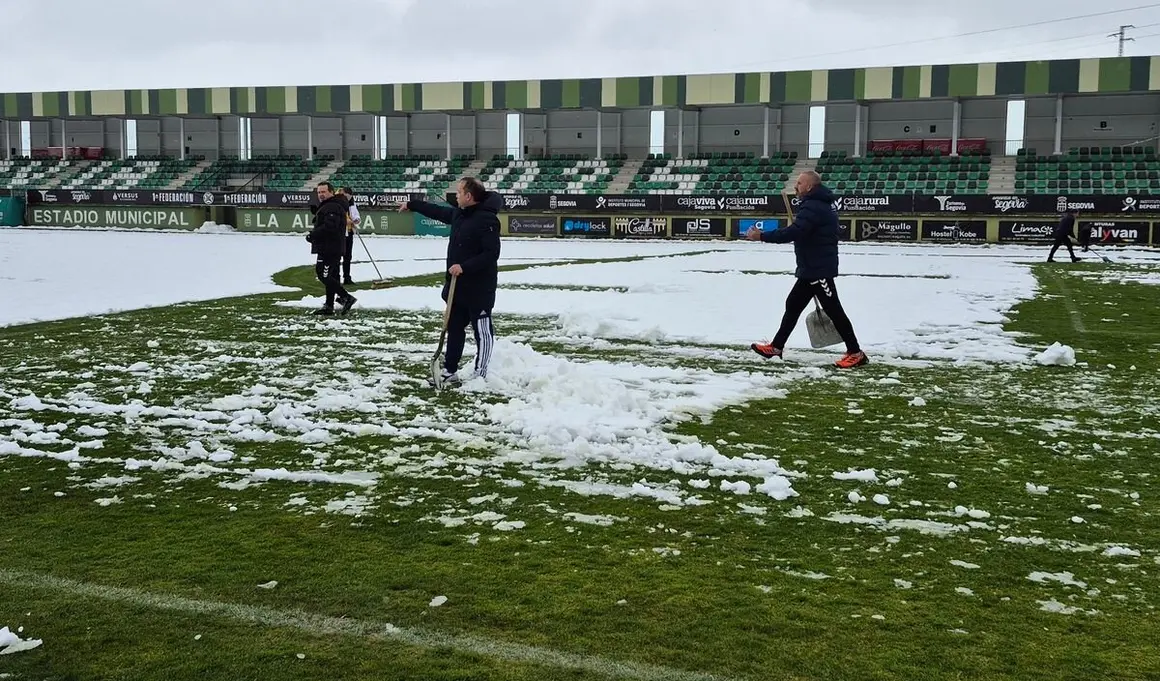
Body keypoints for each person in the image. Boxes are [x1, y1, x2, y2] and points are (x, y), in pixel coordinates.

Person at [746, 170, 867, 369]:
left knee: (834, 311)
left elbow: (795, 232)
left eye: (800, 183)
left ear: (810, 186)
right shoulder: (815, 205)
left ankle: (855, 352)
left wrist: (762, 236)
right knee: (793, 304)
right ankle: (776, 347)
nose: (796, 187)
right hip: (810, 268)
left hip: (819, 270)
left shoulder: (814, 207)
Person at [398, 177, 502, 386]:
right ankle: (450, 370)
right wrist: (412, 205)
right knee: (454, 328)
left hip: (479, 290)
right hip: (457, 288)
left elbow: (491, 254)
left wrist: (465, 267)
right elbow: (437, 211)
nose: (456, 195)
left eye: (459, 192)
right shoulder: (459, 214)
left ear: (469, 196)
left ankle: (480, 373)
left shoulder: (487, 220)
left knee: (482, 331)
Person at [307, 181, 357, 315]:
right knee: (332, 276)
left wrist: (313, 235)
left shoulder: (333, 206)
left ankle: (346, 297)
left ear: (331, 192)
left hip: (330, 247)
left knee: (323, 274)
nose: (320, 195)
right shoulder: (331, 205)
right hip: (330, 246)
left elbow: (330, 226)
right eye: (318, 192)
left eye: (323, 192)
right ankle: (329, 305)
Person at [340, 186, 360, 285]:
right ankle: (335, 277)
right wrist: (345, 220)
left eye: (348, 196)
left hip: (349, 232)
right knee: (338, 256)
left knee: (348, 256)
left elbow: (355, 214)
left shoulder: (352, 202)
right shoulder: (337, 202)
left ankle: (347, 277)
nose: (346, 198)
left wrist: (356, 220)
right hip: (339, 233)